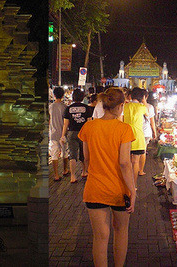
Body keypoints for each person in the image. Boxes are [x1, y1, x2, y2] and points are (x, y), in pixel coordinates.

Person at [78, 87, 136, 267]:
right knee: (120, 232)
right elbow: (125, 163)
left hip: (95, 188)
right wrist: (133, 190)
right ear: (120, 106)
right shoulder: (124, 129)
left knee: (100, 238)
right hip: (119, 190)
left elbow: (86, 158)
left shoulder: (89, 126)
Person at [61, 88, 92, 183]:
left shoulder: (68, 108)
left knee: (72, 155)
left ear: (73, 97)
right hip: (84, 133)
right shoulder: (87, 108)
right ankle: (84, 172)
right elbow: (89, 122)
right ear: (82, 97)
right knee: (84, 154)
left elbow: (65, 124)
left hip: (71, 133)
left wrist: (62, 136)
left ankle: (73, 177)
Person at [123, 87, 148, 186]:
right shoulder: (142, 107)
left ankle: (126, 183)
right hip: (138, 136)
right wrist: (144, 101)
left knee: (127, 162)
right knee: (135, 162)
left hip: (126, 136)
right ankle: (134, 184)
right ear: (141, 97)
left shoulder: (125, 106)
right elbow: (148, 113)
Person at [49, 87, 68, 181]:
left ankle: (56, 175)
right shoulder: (65, 107)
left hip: (53, 134)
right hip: (63, 134)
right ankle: (65, 170)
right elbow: (66, 122)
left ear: (54, 95)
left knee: (54, 154)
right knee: (65, 153)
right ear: (63, 95)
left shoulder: (50, 106)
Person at [140, 90, 156, 176]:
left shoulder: (133, 106)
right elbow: (152, 122)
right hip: (146, 132)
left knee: (134, 153)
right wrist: (154, 132)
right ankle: (140, 170)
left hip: (136, 131)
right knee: (143, 151)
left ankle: (135, 168)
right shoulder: (149, 107)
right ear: (146, 97)